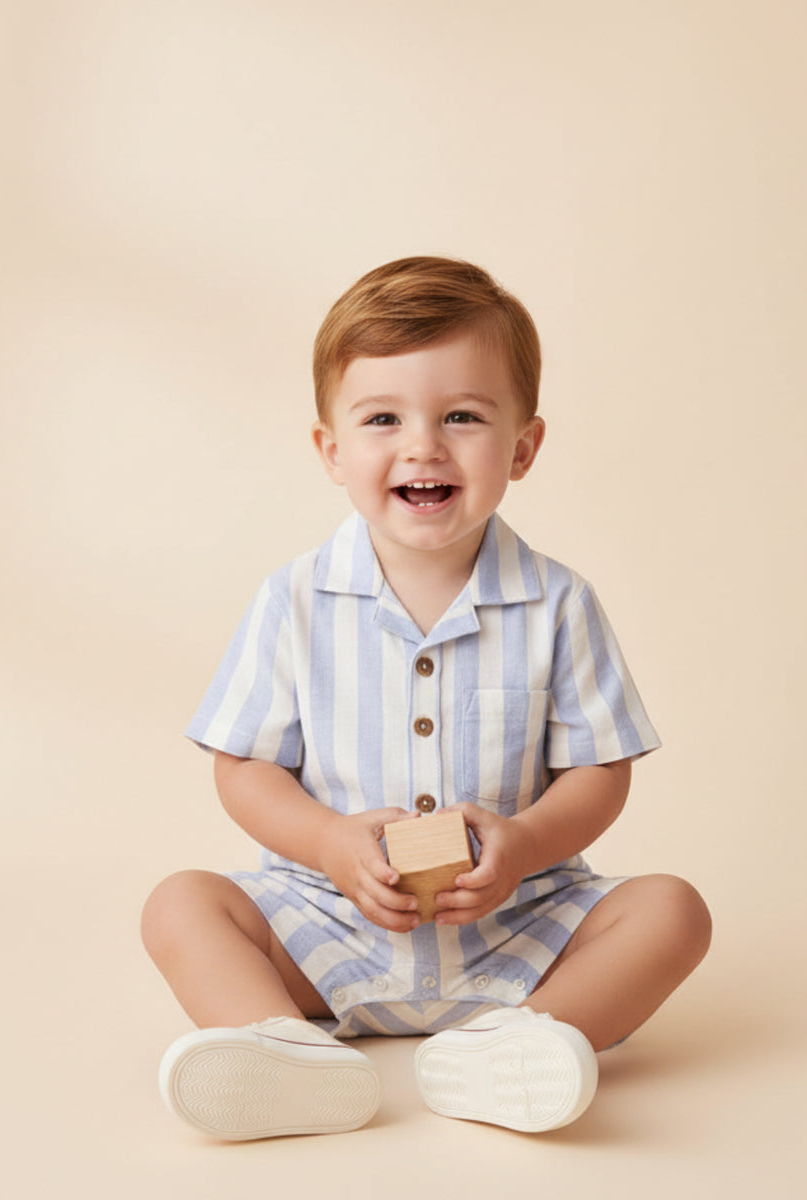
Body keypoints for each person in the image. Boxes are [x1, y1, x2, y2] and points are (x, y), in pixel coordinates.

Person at [141, 256, 712, 1140]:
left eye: (462, 417)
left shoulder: (560, 603)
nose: (423, 446)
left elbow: (601, 773)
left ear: (522, 446)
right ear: (332, 451)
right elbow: (245, 766)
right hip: (332, 922)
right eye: (382, 419)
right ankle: (284, 1048)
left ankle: (527, 1041)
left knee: (673, 909)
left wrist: (523, 847)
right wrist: (329, 843)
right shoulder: (291, 601)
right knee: (182, 902)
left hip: (517, 922)